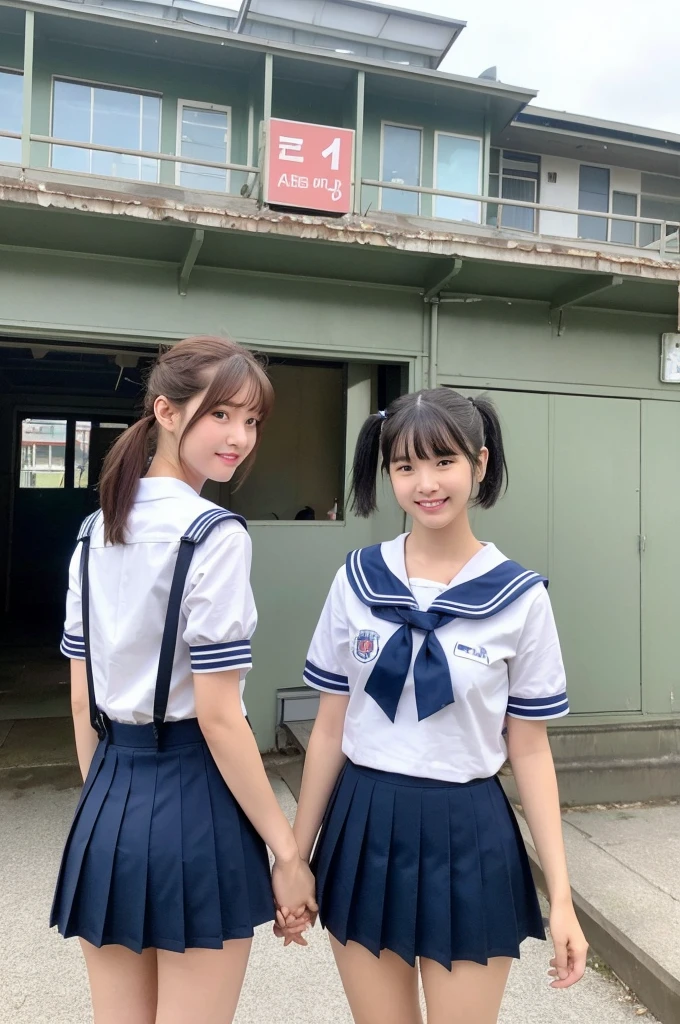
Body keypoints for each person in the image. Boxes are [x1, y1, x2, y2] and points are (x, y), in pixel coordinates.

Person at [279, 388, 588, 1024]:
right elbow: (331, 727)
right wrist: (296, 859)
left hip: (467, 831)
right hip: (362, 823)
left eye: (443, 462)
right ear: (387, 473)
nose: (426, 483)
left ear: (478, 463)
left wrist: (561, 895)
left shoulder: (521, 598)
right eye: (405, 466)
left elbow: (529, 748)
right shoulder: (356, 580)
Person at [51, 336, 315, 1024]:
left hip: (107, 802)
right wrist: (287, 853)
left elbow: (82, 698)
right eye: (222, 415)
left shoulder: (91, 530)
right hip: (194, 804)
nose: (240, 437)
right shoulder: (215, 533)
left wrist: (105, 806)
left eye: (252, 421)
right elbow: (219, 716)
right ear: (166, 413)